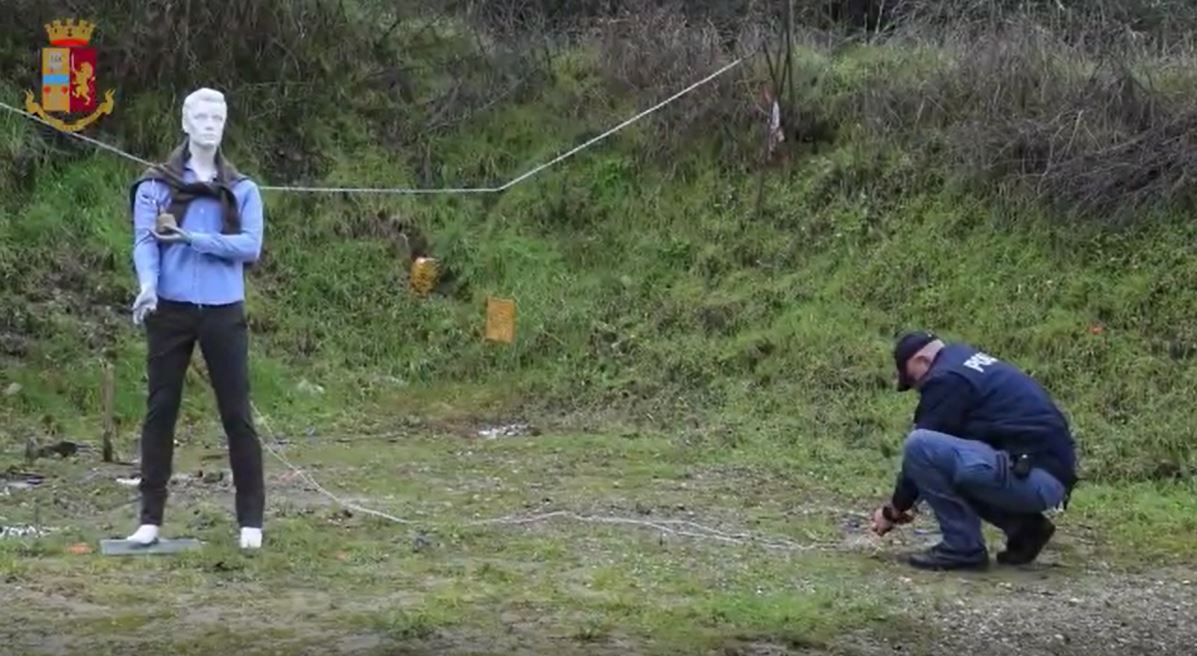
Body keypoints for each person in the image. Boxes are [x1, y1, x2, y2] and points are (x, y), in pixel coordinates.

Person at [125, 87, 266, 550]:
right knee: (160, 409)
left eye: (218, 116)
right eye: (201, 116)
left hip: (224, 310)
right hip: (170, 307)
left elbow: (250, 247)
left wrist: (194, 239)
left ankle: (250, 521)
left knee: (236, 412)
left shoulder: (242, 188)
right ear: (185, 123)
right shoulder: (155, 185)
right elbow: (146, 242)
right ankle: (150, 519)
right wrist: (148, 284)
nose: (210, 124)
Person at [871, 331, 1078, 570]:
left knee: (920, 444)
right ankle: (1026, 529)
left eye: (913, 381)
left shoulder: (946, 379)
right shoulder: (962, 361)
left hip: (1036, 479)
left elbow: (921, 454)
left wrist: (893, 510)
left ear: (921, 361)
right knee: (949, 464)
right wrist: (910, 499)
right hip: (1044, 474)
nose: (917, 388)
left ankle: (963, 547)